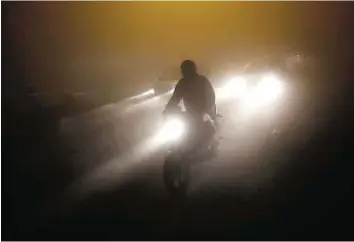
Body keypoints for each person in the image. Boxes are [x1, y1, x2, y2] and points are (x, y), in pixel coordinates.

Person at [164, 60, 217, 153]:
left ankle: (209, 144)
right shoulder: (182, 83)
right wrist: (168, 109)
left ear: (193, 69)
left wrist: (207, 111)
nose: (185, 72)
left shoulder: (202, 80)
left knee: (209, 130)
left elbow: (211, 97)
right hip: (190, 113)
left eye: (187, 70)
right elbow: (175, 98)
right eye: (183, 70)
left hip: (204, 113)